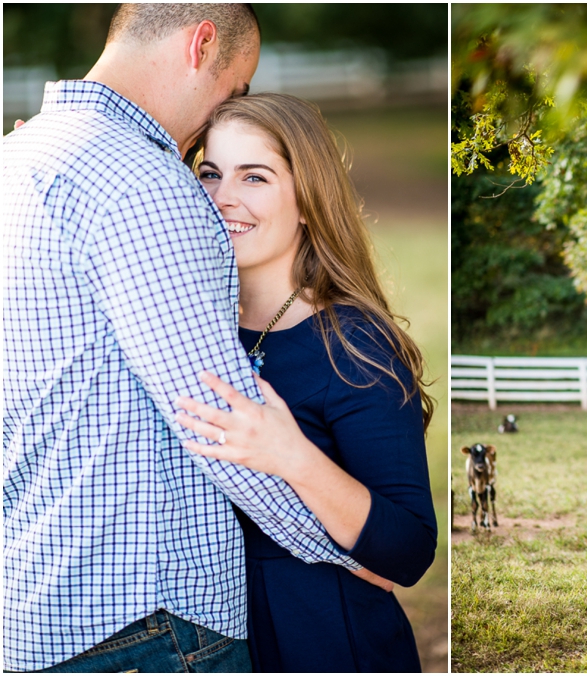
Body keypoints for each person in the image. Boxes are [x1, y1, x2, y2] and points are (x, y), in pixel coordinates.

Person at [3, 5, 371, 672]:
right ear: (202, 44)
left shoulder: (18, 154)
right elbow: (215, 415)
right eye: (235, 88)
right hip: (148, 620)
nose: (222, 117)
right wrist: (346, 551)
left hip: (35, 606)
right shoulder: (142, 182)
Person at [172, 93, 437, 672]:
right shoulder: (186, 329)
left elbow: (409, 551)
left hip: (324, 640)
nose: (223, 198)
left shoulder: (355, 345)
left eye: (255, 177)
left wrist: (293, 457)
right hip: (204, 645)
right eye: (210, 173)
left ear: (308, 203)